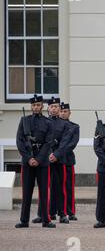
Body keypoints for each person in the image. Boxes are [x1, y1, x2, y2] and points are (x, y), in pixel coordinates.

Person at [15, 95, 55, 229]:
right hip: (27, 162)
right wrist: (29, 158)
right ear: (31, 107)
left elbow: (48, 142)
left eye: (38, 105)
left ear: (42, 106)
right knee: (26, 192)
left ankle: (46, 220)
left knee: (44, 192)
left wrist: (38, 159)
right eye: (34, 105)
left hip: (42, 162)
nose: (36, 107)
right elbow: (19, 141)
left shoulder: (48, 122)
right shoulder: (24, 120)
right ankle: (24, 220)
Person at [59, 102, 80, 221]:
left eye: (65, 111)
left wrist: (59, 152)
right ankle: (53, 211)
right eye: (61, 111)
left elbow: (72, 143)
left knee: (68, 187)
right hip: (54, 160)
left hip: (67, 160)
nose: (63, 113)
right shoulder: (53, 124)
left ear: (69, 113)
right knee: (54, 187)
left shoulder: (74, 126)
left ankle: (70, 211)